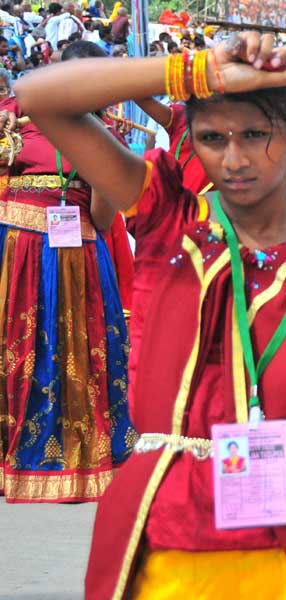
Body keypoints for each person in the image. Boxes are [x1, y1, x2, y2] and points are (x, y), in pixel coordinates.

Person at [15, 31, 286, 597]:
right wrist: (200, 69)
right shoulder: (167, 223)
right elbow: (36, 95)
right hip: (165, 531)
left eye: (256, 135)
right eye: (211, 137)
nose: (234, 158)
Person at [0, 41, 134, 503]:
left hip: (76, 248)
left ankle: (80, 459)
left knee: (78, 352)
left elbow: (102, 215)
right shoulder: (12, 111)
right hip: (16, 246)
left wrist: (103, 173)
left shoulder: (107, 131)